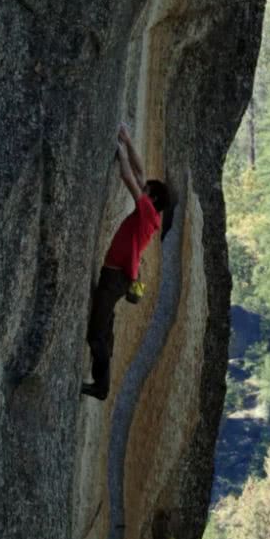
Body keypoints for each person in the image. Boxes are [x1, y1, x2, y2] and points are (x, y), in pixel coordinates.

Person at [81, 124, 172, 401]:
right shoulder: (151, 215)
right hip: (119, 277)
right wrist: (129, 140)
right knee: (105, 327)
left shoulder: (146, 212)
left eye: (147, 191)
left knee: (95, 333)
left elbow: (129, 177)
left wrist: (120, 152)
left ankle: (101, 386)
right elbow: (141, 173)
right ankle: (102, 378)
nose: (143, 189)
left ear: (152, 198)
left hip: (116, 277)